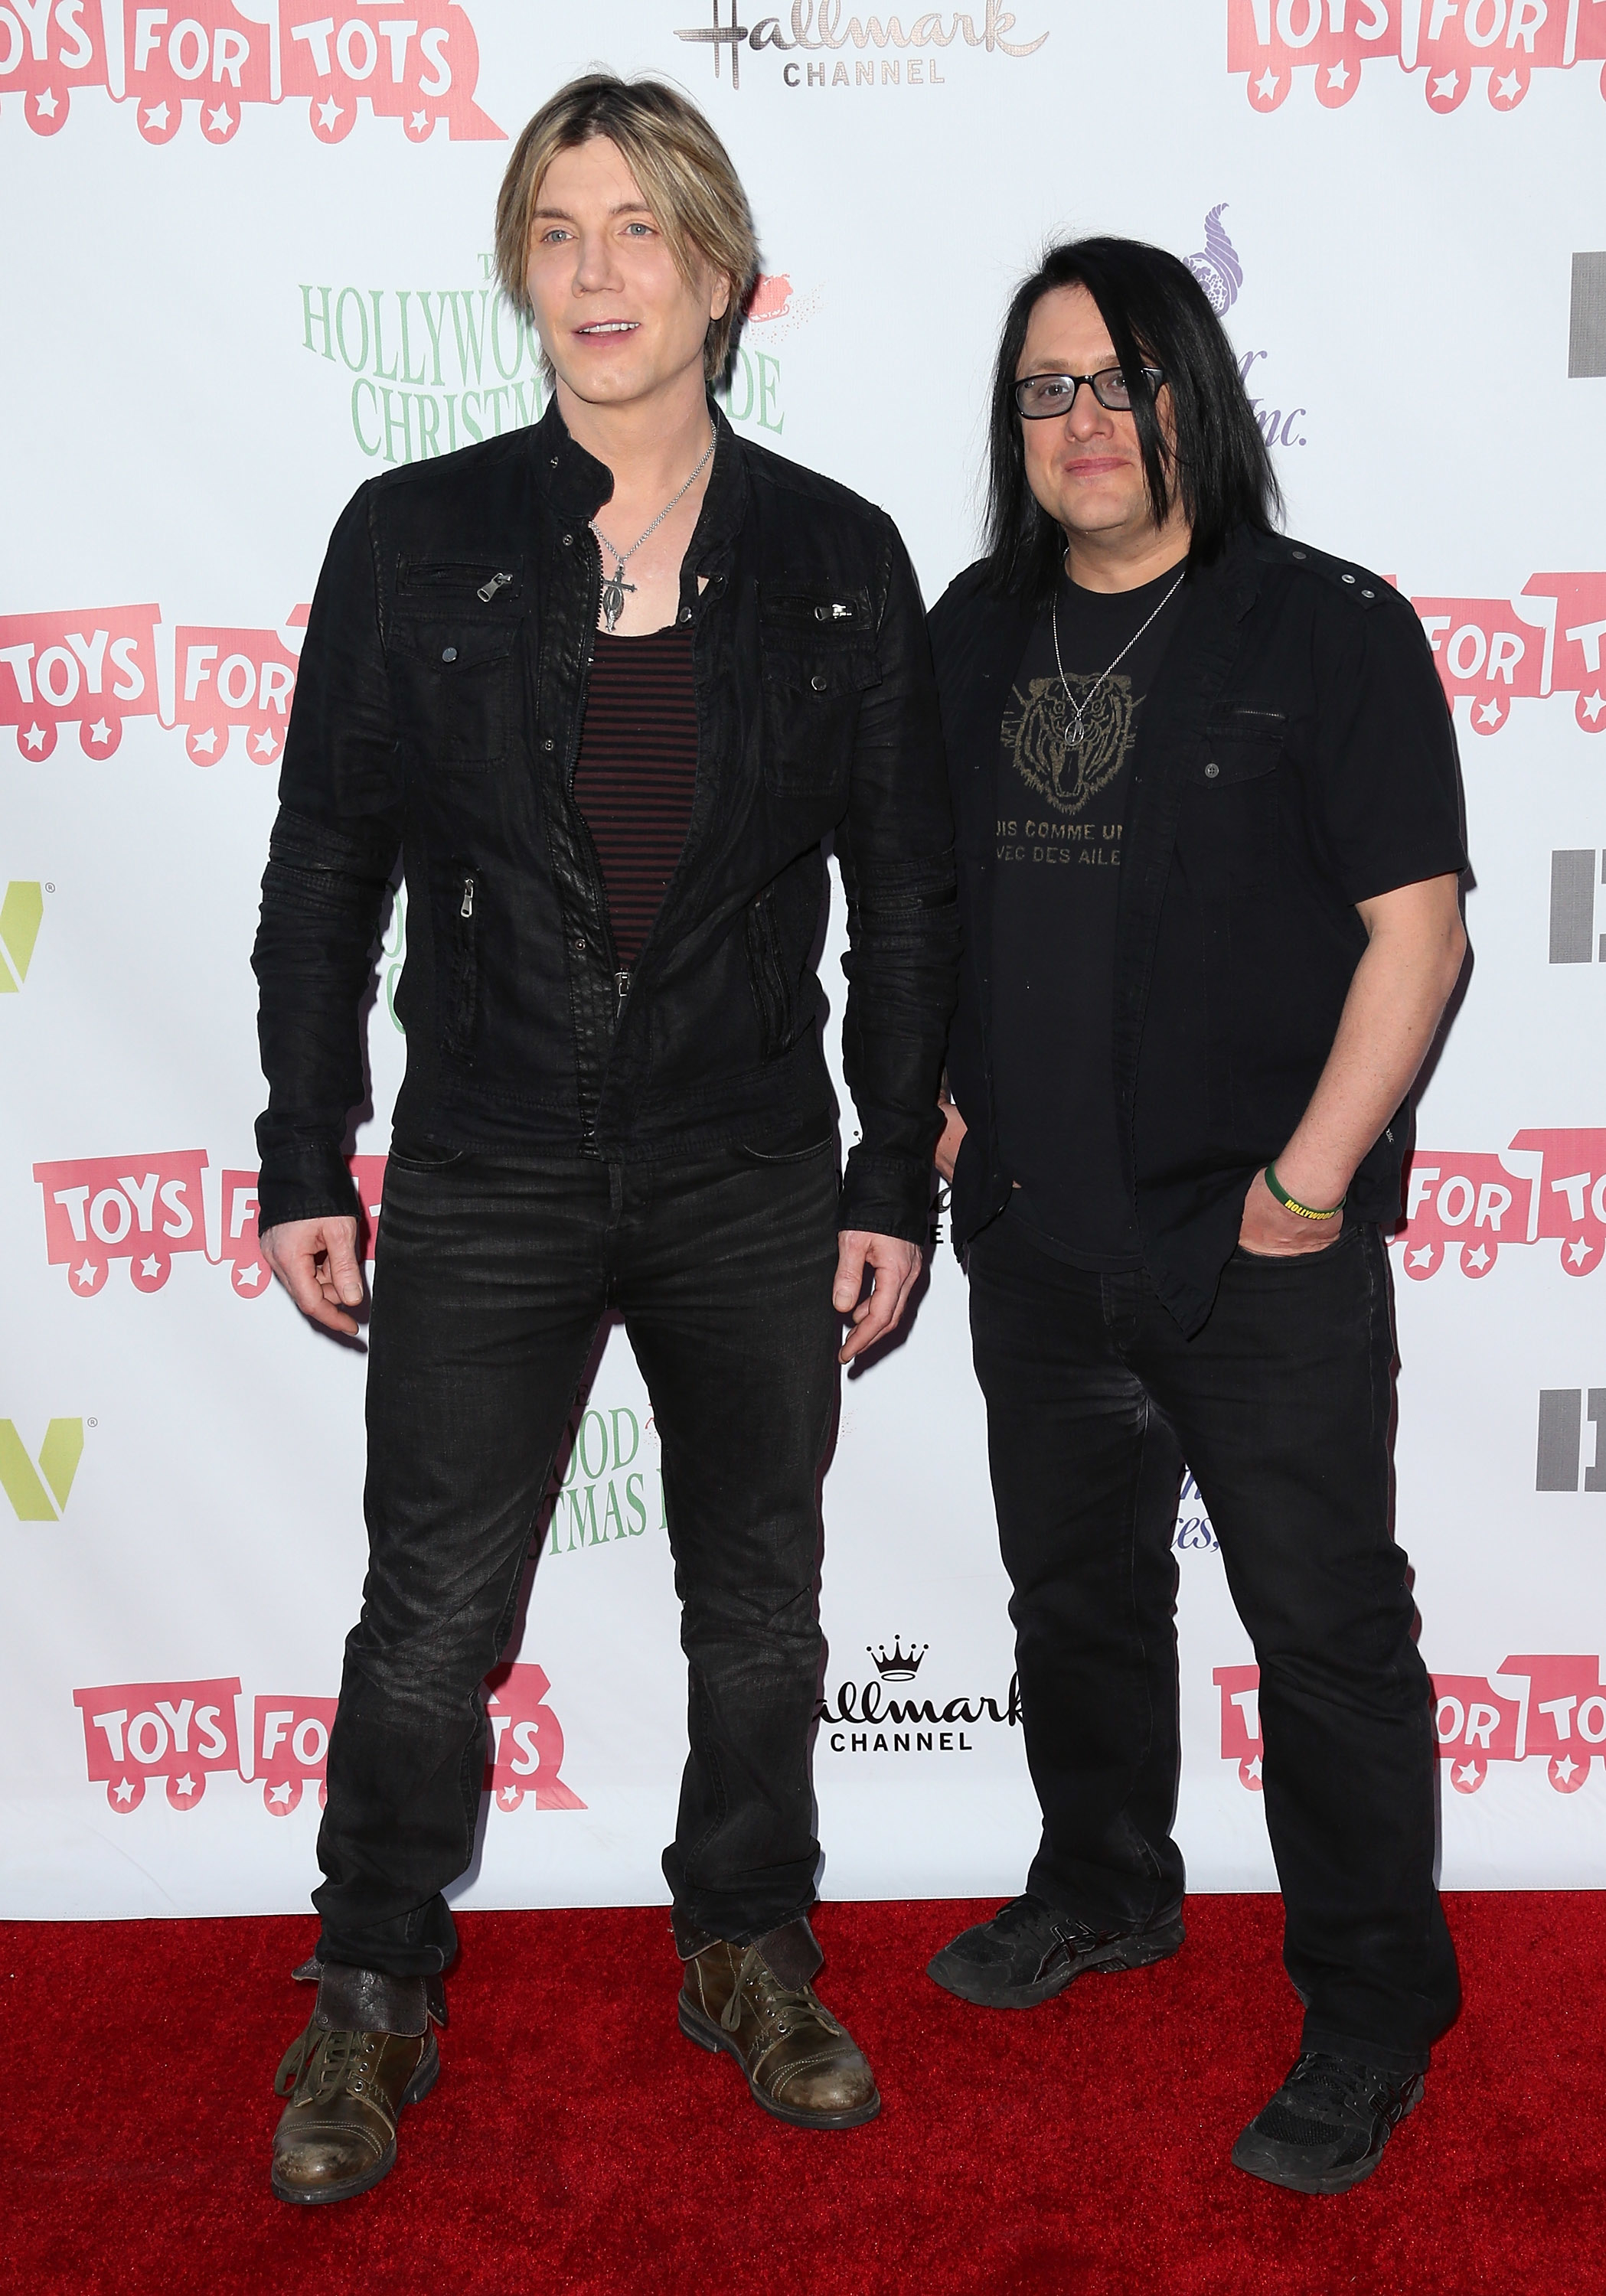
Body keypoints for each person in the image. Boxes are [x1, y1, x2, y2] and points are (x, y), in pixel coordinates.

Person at [255, 73, 956, 2204]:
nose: (594, 272)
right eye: (557, 231)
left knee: (755, 1605)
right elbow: (323, 871)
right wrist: (308, 1149)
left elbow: (906, 901)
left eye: (639, 228)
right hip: (489, 1151)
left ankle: (745, 1948)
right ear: (518, 273)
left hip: (751, 1158)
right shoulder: (416, 537)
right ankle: (370, 1993)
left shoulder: (837, 557)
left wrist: (886, 1183)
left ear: (723, 273)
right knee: (429, 1618)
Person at [925, 236, 1467, 2196]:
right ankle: (1103, 1887)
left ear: (1192, 402)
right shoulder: (971, 629)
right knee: (1072, 1609)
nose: (1082, 422)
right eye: (1044, 388)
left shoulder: (1329, 632)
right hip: (1036, 1241)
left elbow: (1417, 933)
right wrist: (941, 1106)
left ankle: (1372, 2009)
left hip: (1258, 1251)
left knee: (1322, 1638)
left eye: (1119, 381)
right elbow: (928, 912)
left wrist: (1305, 1189)